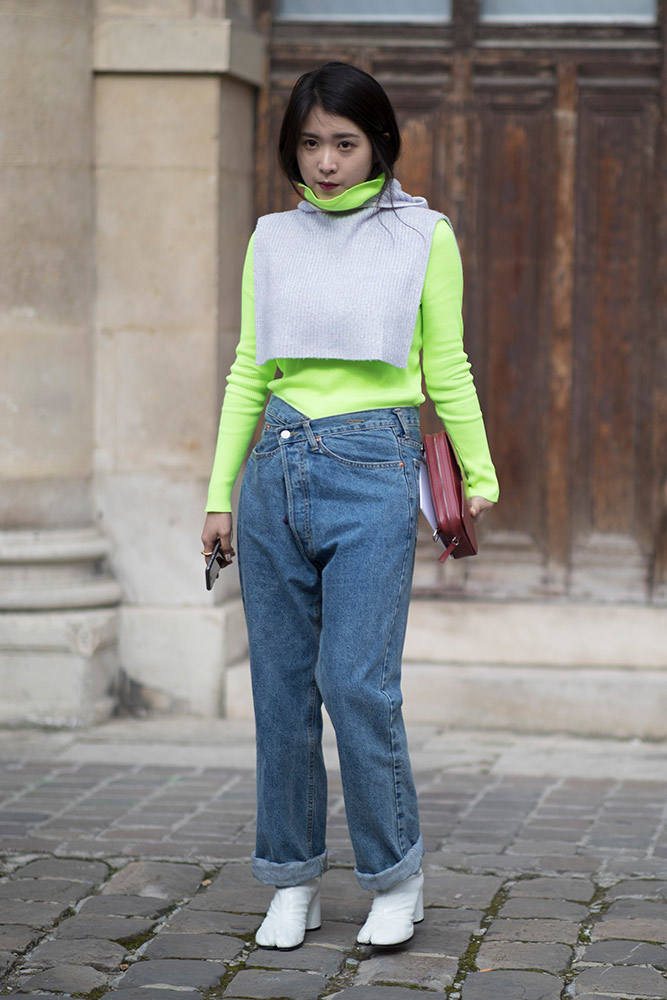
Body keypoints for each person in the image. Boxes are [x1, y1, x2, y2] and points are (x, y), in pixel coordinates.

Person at [201, 62, 499, 951]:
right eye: (309, 143)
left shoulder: (423, 234)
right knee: (280, 692)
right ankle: (290, 881)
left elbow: (445, 365)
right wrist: (219, 493)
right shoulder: (269, 238)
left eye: (344, 142)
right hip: (274, 469)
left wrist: (476, 474)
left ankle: (395, 875)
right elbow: (250, 365)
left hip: (374, 467)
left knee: (356, 686)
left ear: (377, 144)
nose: (325, 162)